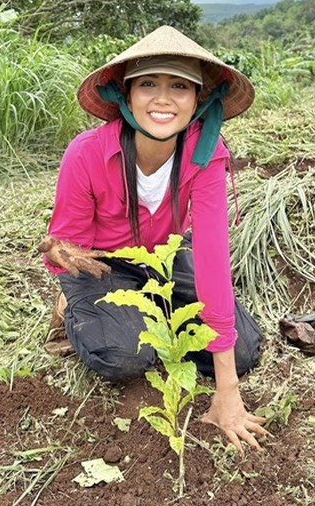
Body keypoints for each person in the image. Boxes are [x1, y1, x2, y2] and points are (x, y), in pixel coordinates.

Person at [39, 25, 268, 452]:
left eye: (179, 86)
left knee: (242, 352)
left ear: (198, 100)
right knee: (126, 356)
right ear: (126, 95)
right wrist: (59, 254)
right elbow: (65, 245)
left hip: (163, 255)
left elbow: (214, 260)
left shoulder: (207, 155)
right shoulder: (87, 153)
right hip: (100, 263)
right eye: (148, 84)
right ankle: (71, 307)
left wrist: (227, 391)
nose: (163, 99)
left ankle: (148, 305)